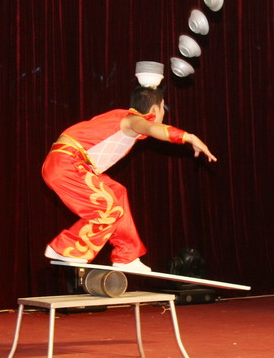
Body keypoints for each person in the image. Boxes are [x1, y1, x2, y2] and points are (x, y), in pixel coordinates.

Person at [42, 61, 217, 273]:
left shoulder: (121, 118)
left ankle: (126, 255)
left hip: (72, 165)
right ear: (155, 109)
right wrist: (188, 137)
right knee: (107, 208)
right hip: (68, 163)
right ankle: (67, 249)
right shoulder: (132, 120)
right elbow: (151, 128)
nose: (163, 114)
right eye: (163, 109)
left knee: (117, 193)